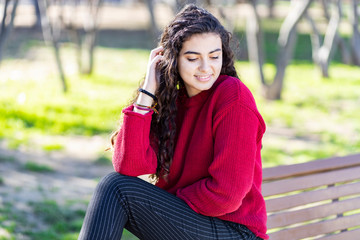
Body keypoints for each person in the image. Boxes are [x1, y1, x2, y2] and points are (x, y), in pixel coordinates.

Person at [78, 4, 268, 240]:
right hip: (194, 223)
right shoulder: (171, 103)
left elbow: (227, 195)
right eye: (192, 58)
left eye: (214, 56)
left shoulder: (232, 96)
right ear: (173, 59)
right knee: (116, 185)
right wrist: (147, 93)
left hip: (235, 232)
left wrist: (168, 202)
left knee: (115, 188)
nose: (205, 68)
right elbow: (129, 165)